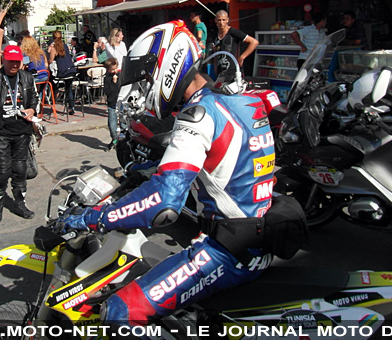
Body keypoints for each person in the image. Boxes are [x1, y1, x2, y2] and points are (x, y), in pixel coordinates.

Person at [53, 21, 277, 326]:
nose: (144, 86)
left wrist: (94, 218)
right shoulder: (242, 99)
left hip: (226, 252)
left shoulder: (197, 116)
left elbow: (163, 202)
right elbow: (222, 161)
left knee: (119, 310)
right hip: (257, 238)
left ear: (168, 66)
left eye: (146, 77)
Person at [0, 45, 40, 224]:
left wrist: (33, 109)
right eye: (11, 61)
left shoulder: (27, 78)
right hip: (0, 133)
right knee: (2, 171)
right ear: (3, 59)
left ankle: (20, 203)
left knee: (20, 170)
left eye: (17, 61)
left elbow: (35, 98)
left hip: (22, 132)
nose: (14, 64)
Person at [210, 10, 259, 77]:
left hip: (233, 71)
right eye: (219, 20)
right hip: (220, 72)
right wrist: (215, 67)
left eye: (224, 20)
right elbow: (215, 52)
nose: (221, 23)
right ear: (215, 21)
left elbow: (254, 42)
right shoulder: (215, 35)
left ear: (227, 20)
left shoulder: (233, 32)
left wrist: (242, 57)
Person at [48, 30, 77, 115]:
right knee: (69, 88)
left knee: (51, 79)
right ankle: (71, 107)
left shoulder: (54, 48)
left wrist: (49, 52)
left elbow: (50, 60)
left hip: (63, 71)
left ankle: (55, 93)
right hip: (71, 70)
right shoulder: (65, 46)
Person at [103, 57, 120, 151]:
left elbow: (121, 88)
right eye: (112, 69)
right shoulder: (107, 78)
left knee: (123, 125)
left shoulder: (120, 75)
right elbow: (107, 91)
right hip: (112, 103)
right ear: (108, 70)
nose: (114, 71)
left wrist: (117, 82)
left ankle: (123, 141)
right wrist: (113, 82)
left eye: (115, 68)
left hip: (120, 103)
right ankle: (114, 139)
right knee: (112, 124)